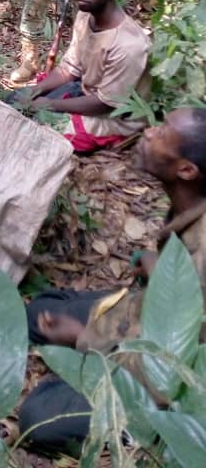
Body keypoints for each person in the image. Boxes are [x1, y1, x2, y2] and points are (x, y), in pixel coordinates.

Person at [18, 105, 206, 454]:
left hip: (169, 369)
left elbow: (170, 362)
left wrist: (83, 338)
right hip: (142, 315)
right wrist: (160, 268)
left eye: (162, 132)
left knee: (39, 418)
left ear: (186, 169)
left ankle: (147, 431)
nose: (149, 132)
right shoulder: (190, 207)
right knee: (40, 311)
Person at [18, 0, 151, 151]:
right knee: (15, 102)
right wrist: (35, 91)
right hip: (85, 91)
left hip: (114, 118)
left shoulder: (129, 44)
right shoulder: (85, 16)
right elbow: (70, 68)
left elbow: (105, 103)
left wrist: (50, 104)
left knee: (36, 131)